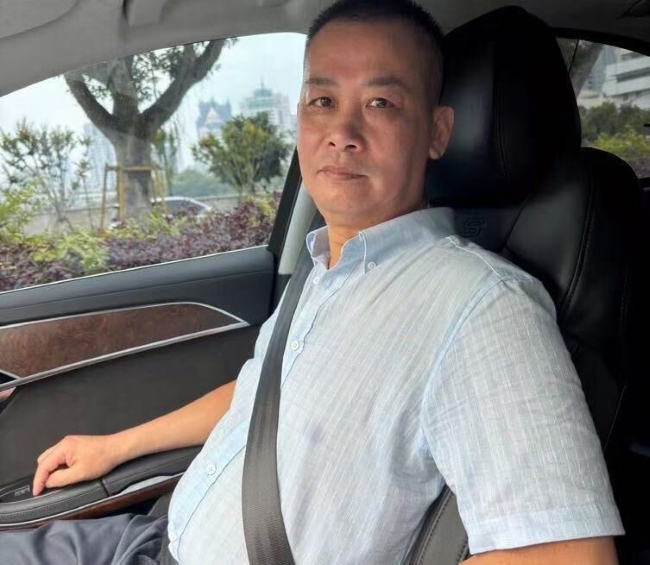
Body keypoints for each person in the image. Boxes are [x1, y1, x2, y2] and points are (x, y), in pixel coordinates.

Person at [1, 1, 624, 564]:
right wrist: (118, 445)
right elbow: (258, 395)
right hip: (147, 541)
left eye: (380, 104)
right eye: (322, 101)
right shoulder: (324, 267)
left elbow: (569, 556)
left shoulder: (482, 305)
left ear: (438, 132)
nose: (341, 133)